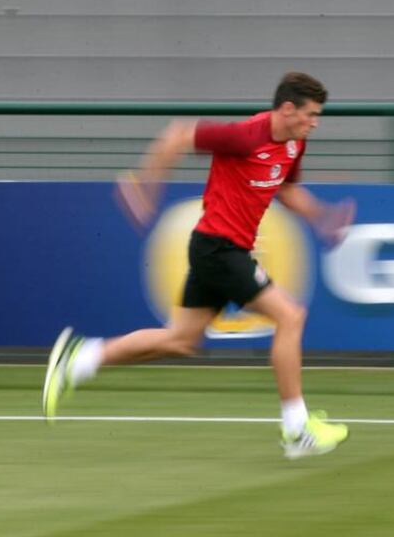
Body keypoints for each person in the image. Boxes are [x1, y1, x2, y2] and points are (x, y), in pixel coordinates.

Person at [42, 72, 354, 459]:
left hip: (219, 250)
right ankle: (296, 428)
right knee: (291, 316)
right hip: (218, 250)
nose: (315, 122)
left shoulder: (294, 144)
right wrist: (145, 188)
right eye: (310, 114)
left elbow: (285, 188)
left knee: (181, 340)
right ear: (287, 109)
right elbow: (176, 136)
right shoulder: (245, 136)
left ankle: (80, 360)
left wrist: (321, 216)